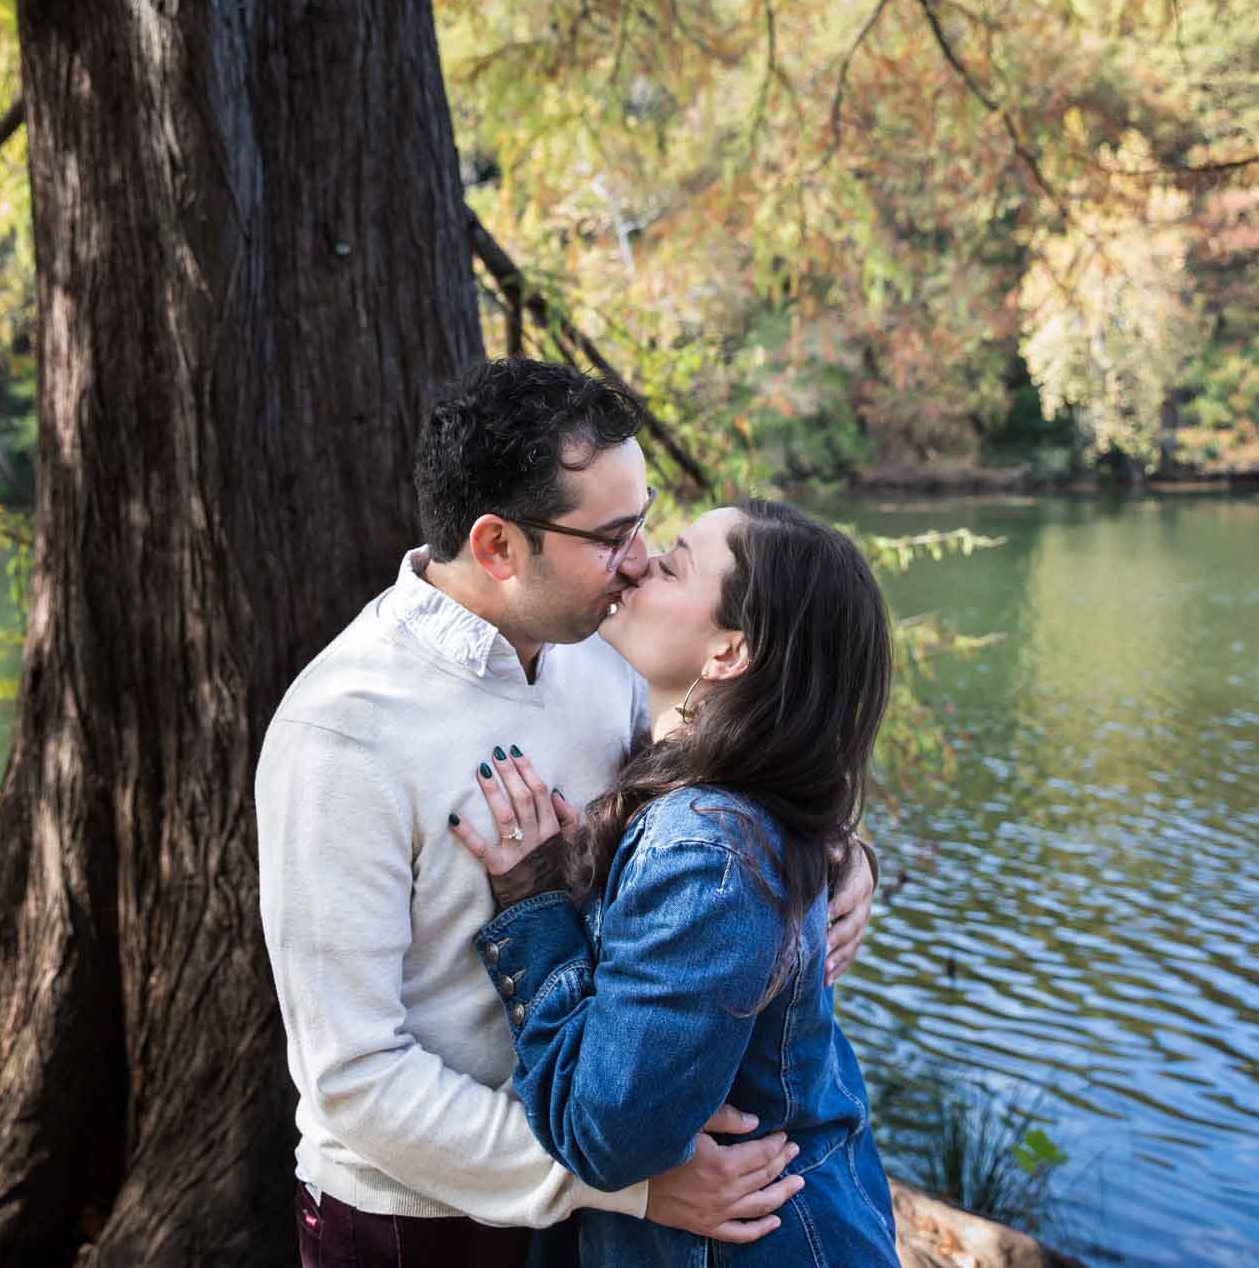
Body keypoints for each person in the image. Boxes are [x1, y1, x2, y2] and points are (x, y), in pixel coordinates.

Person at [256, 360, 876, 1266]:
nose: (637, 560)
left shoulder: (609, 655)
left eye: (645, 521)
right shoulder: (344, 731)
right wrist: (626, 1180)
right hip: (419, 1225)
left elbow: (722, 791)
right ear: (500, 546)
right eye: (613, 534)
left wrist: (834, 855)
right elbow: (352, 1077)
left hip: (593, 1213)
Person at [451, 499, 904, 1267]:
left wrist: (534, 910)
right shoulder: (718, 800)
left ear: (728, 651)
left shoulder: (710, 851)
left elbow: (603, 1134)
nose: (636, 560)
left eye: (673, 562)